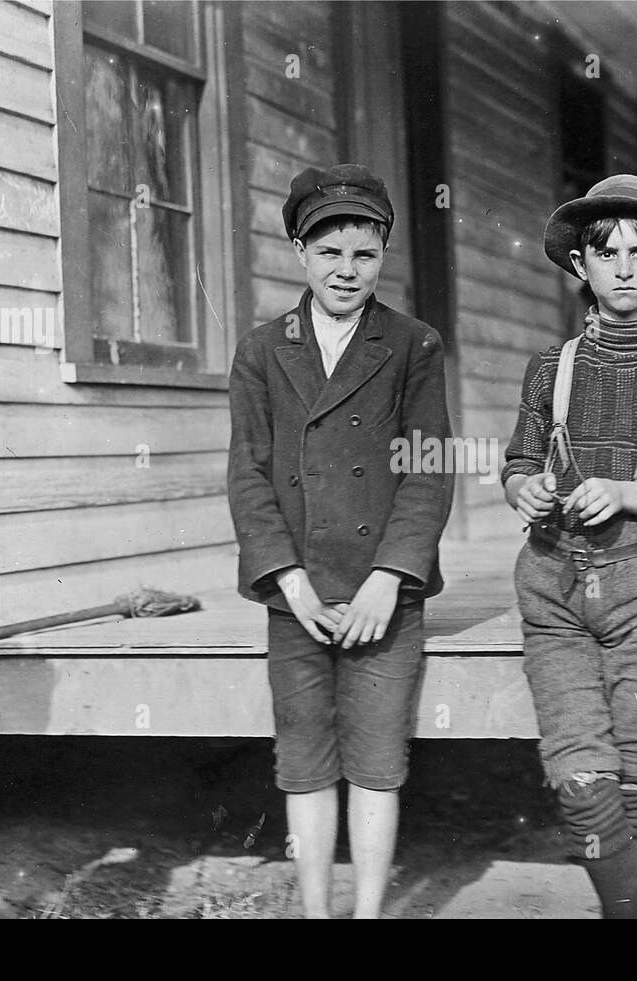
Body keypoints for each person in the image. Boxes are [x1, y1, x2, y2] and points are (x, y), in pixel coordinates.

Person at [227, 164, 453, 919]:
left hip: (383, 597)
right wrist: (287, 582)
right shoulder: (262, 351)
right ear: (300, 252)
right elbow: (248, 476)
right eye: (330, 253)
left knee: (379, 763)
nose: (347, 271)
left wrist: (390, 578)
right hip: (298, 596)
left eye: (364, 253)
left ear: (383, 252)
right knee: (305, 763)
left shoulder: (413, 346)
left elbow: (427, 472)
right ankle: (319, 912)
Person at [502, 175, 637, 918]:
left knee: (634, 779)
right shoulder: (549, 369)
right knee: (582, 781)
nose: (624, 266)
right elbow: (518, 462)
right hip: (553, 593)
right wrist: (523, 490)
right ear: (579, 266)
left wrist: (627, 492)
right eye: (606, 251)